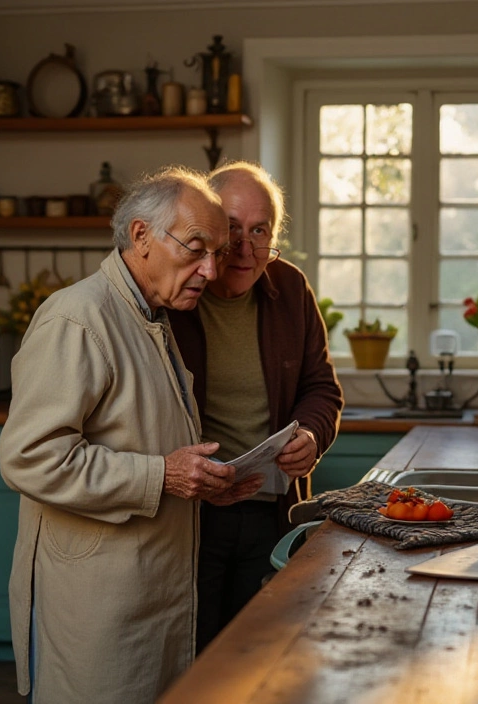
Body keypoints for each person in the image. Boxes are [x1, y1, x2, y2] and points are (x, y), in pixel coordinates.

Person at [0, 166, 265, 704]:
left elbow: (147, 442)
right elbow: (30, 458)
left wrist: (204, 482)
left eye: (216, 252)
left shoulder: (152, 316)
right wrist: (163, 475)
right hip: (99, 601)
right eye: (196, 248)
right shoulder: (78, 318)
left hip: (149, 591)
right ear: (141, 237)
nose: (211, 270)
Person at [168, 161, 344, 652]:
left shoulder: (290, 288)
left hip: (273, 511)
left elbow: (321, 388)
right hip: (190, 518)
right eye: (231, 229)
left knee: (263, 653)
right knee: (195, 654)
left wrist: (310, 434)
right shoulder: (173, 292)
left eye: (260, 230)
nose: (245, 248)